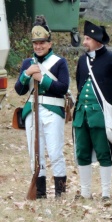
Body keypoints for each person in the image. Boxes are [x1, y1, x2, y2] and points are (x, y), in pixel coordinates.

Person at [73, 20, 112, 200]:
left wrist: (110, 109)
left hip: (100, 114)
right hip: (82, 113)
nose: (84, 42)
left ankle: (105, 193)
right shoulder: (82, 60)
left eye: (87, 38)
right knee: (82, 151)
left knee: (104, 152)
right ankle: (85, 192)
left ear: (97, 40)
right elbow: (79, 83)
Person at [14, 15, 69, 198]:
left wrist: (42, 79)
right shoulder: (27, 63)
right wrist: (26, 75)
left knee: (55, 152)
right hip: (32, 111)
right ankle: (40, 193)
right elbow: (19, 90)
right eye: (35, 43)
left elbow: (63, 87)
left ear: (49, 43)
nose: (38, 46)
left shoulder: (59, 63)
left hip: (53, 111)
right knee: (35, 153)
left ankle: (60, 193)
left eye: (42, 43)